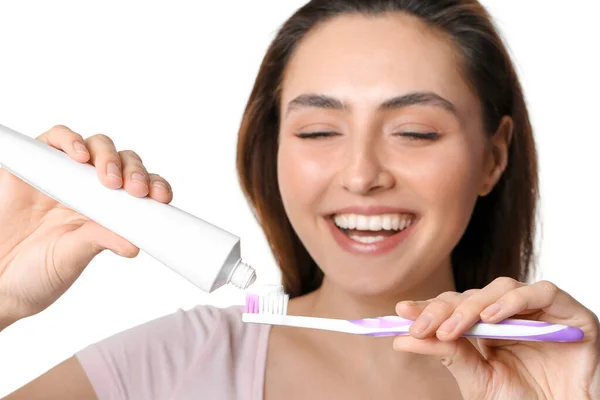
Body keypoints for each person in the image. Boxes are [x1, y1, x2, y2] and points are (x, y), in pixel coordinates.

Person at [1, 0, 599, 398]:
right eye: (318, 132)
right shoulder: (164, 369)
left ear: (493, 157)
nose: (362, 175)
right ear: (273, 149)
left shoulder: (559, 376)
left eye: (415, 131)